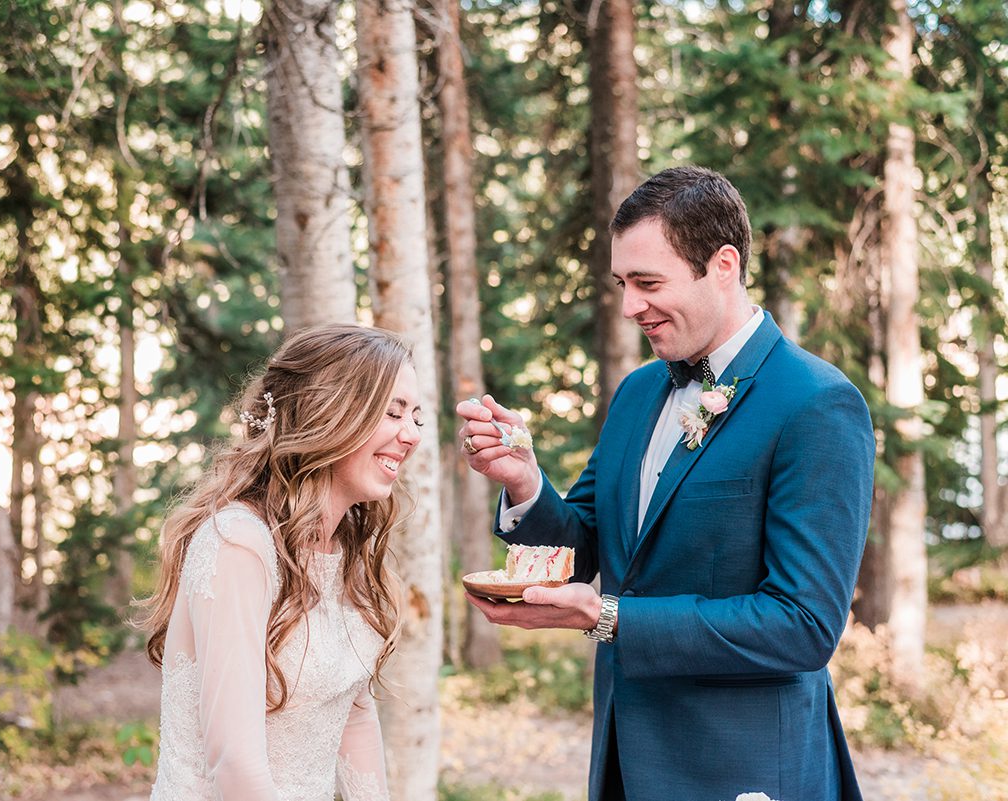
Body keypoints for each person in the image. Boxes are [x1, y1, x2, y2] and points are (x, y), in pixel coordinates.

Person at [458, 167, 875, 801]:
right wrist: (522, 481)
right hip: (627, 760)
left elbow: (804, 625)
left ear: (724, 266)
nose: (630, 307)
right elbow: (587, 545)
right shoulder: (637, 393)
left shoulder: (816, 404)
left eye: (649, 283)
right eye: (623, 284)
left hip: (747, 771)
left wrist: (610, 617)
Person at [140, 323, 424, 801]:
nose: (411, 435)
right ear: (329, 413)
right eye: (392, 413)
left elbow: (352, 714)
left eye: (417, 417)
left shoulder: (348, 550)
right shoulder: (238, 544)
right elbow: (234, 764)